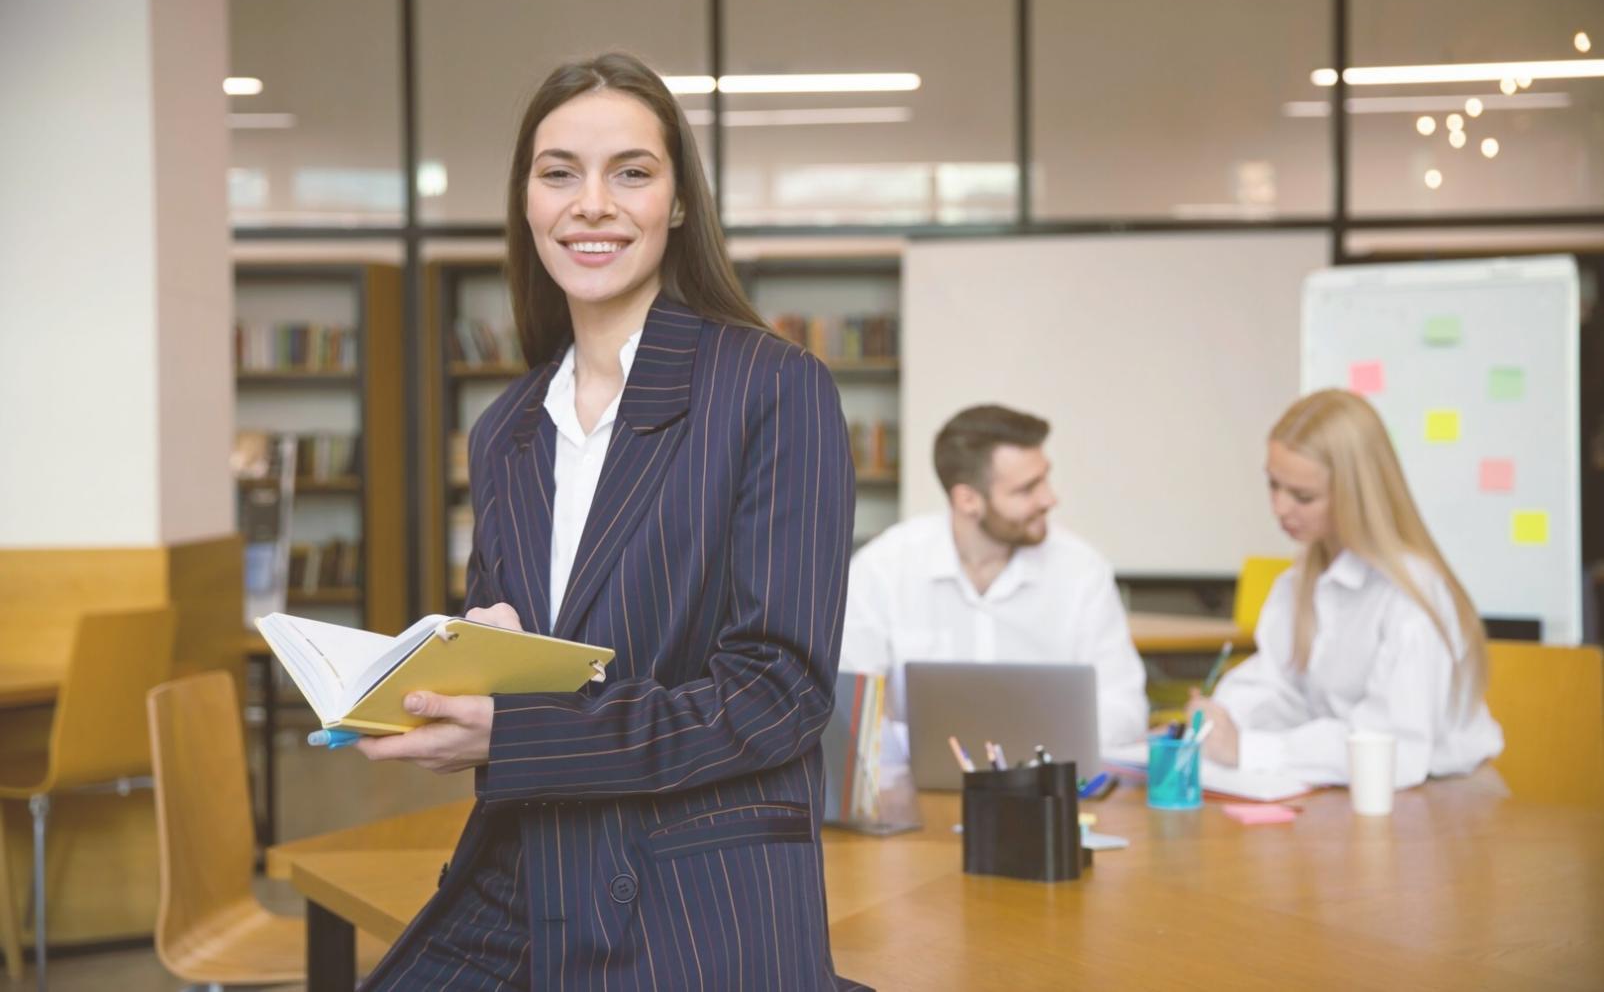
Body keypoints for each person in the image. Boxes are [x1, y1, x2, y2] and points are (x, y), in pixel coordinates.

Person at [353, 52, 863, 991]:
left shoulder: (772, 387)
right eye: (559, 173)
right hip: (529, 866)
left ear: (676, 204)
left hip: (699, 893)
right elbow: (530, 665)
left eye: (631, 171)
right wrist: (472, 662)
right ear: (527, 203)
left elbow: (779, 691)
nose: (592, 203)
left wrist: (515, 732)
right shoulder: (507, 427)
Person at [1189, 389, 1504, 787]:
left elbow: (1388, 750)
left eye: (1303, 496)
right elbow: (1281, 688)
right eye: (1273, 485)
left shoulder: (1410, 597)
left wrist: (1250, 750)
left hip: (1441, 800)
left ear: (1356, 496)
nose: (1280, 508)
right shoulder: (1300, 580)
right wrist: (1223, 716)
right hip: (1359, 796)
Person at [839, 404, 1150, 755]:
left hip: (1048, 787)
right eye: (1027, 488)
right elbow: (850, 705)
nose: (1050, 498)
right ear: (968, 500)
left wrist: (1038, 745)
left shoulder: (1082, 571)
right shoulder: (884, 567)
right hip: (913, 792)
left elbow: (1126, 709)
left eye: (1045, 478)